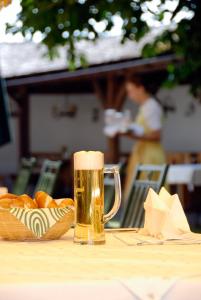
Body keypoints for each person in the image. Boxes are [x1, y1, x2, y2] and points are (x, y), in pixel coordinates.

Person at [122, 74, 166, 200]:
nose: (130, 96)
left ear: (140, 88)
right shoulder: (145, 106)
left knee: (150, 197)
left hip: (150, 156)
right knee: (141, 197)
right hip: (143, 154)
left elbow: (157, 135)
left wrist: (133, 134)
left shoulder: (151, 106)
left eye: (131, 91)